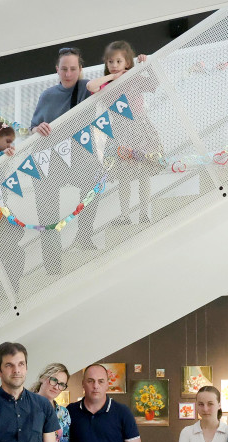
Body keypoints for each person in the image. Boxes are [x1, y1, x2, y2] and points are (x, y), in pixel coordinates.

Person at [31, 47, 93, 277]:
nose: (68, 74)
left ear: (80, 69)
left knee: (94, 182)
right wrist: (38, 128)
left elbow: (114, 82)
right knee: (47, 214)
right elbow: (33, 127)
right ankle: (52, 265)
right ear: (57, 69)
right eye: (64, 69)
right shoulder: (47, 95)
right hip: (47, 160)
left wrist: (137, 64)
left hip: (79, 157)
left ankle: (84, 236)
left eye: (73, 69)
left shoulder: (87, 88)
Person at [86, 41, 156, 225]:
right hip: (120, 132)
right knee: (124, 176)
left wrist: (147, 65)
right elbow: (91, 86)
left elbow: (155, 83)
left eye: (119, 61)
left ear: (127, 62)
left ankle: (144, 213)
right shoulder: (107, 86)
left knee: (144, 173)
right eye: (110, 62)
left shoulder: (135, 78)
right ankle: (125, 215)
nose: (114, 65)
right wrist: (112, 77)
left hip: (140, 128)